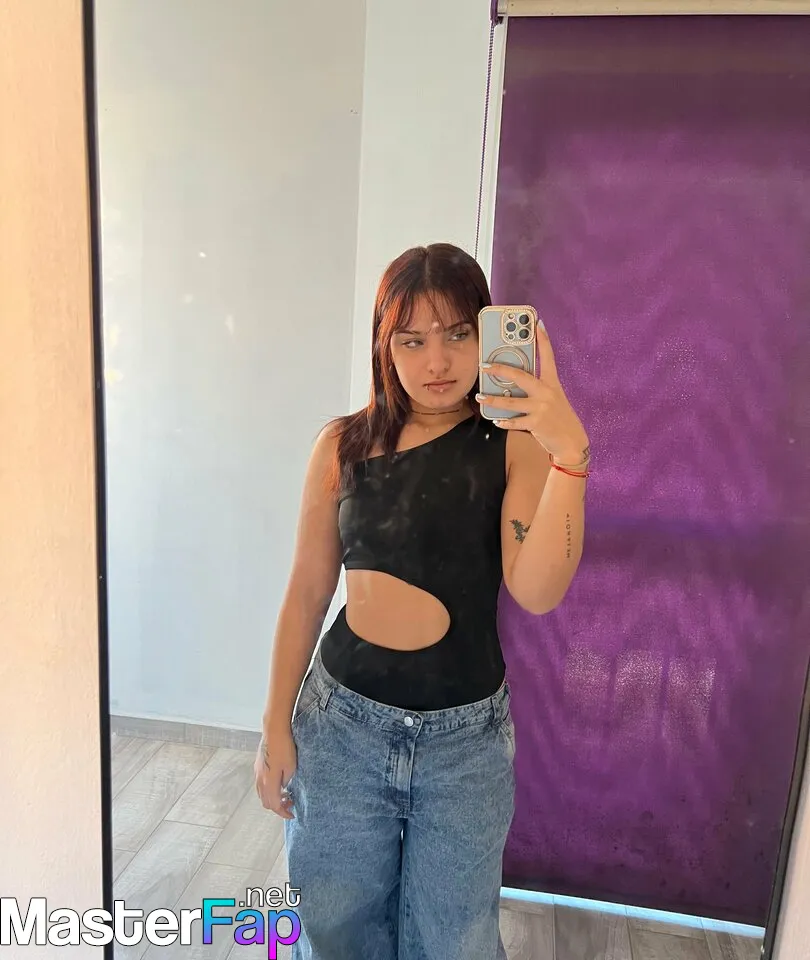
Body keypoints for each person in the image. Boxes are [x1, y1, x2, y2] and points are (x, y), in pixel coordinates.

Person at [254, 243, 589, 959]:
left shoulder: (512, 445)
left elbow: (537, 590)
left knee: (455, 943)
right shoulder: (342, 447)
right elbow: (308, 592)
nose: (437, 361)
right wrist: (274, 723)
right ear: (385, 345)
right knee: (333, 932)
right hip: (341, 731)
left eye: (458, 334)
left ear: (484, 331)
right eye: (412, 340)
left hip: (463, 750)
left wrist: (570, 455)